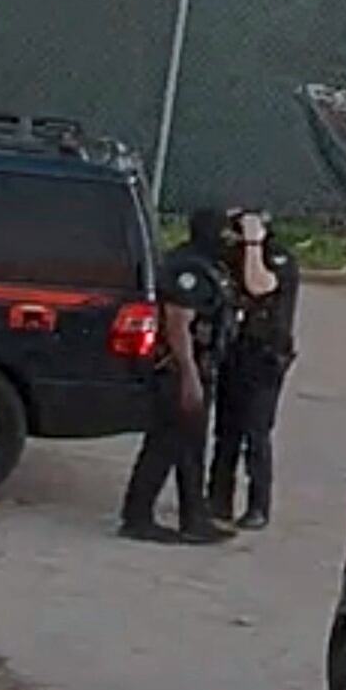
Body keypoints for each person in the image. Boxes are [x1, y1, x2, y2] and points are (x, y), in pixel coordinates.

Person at [118, 207, 236, 544]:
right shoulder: (188, 269)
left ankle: (194, 518)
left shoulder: (207, 264)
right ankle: (137, 517)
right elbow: (178, 323)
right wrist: (189, 375)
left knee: (190, 447)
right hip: (179, 369)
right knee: (165, 444)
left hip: (198, 368)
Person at [206, 206, 301, 530]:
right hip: (235, 352)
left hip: (265, 357)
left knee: (256, 432)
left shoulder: (278, 259)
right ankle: (218, 499)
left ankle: (259, 505)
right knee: (225, 431)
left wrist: (253, 245)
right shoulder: (232, 257)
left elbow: (259, 285)